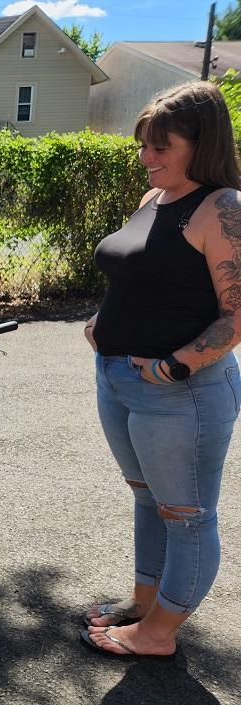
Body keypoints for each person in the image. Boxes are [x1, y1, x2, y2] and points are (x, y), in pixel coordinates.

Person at [81, 81, 241, 659]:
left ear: (201, 143)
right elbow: (134, 273)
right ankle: (145, 604)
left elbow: (237, 313)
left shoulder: (221, 207)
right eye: (144, 146)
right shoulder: (156, 199)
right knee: (148, 500)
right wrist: (103, 322)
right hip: (119, 378)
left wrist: (175, 367)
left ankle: (158, 635)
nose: (147, 158)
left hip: (180, 394)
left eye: (160, 146)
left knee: (188, 516)